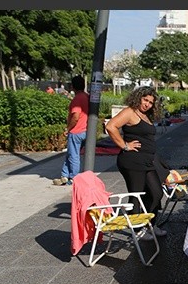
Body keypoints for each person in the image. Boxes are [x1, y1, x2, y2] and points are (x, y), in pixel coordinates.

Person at [104, 86, 167, 240]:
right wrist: (124, 145)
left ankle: (150, 224)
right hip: (132, 161)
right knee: (136, 195)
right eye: (145, 100)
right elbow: (111, 126)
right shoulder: (130, 112)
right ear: (138, 97)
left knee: (156, 192)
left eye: (151, 102)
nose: (147, 104)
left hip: (147, 161)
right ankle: (138, 230)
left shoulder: (145, 115)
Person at [52, 75, 89, 186]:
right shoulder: (87, 96)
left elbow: (76, 116)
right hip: (85, 130)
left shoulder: (77, 99)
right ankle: (64, 175)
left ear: (72, 86)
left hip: (76, 131)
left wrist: (68, 129)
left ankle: (73, 177)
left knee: (74, 156)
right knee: (70, 153)